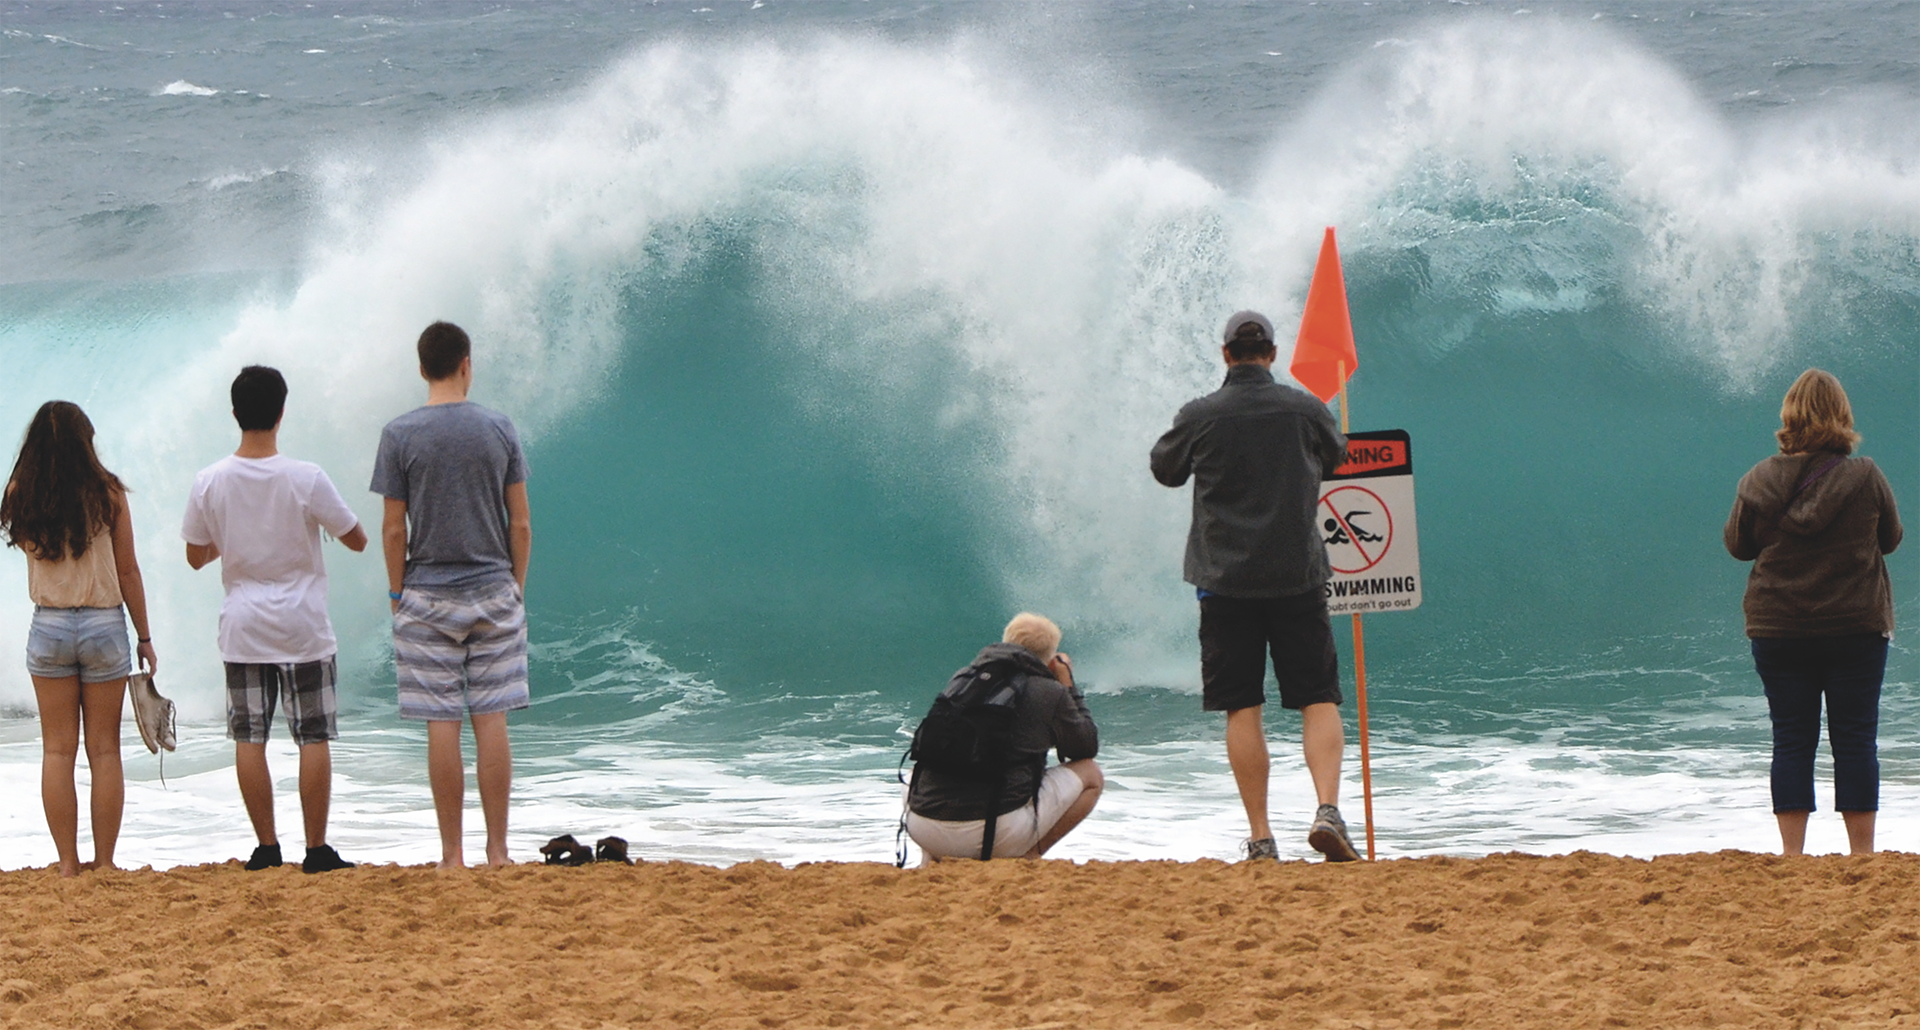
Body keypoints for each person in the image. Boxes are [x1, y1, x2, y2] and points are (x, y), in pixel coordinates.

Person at [1150, 310, 1357, 863]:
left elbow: (1165, 471)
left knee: (1242, 706)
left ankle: (1262, 838)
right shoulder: (1305, 408)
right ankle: (1327, 810)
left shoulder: (1201, 415)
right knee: (1318, 696)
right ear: (1271, 352)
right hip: (1297, 577)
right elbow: (1336, 458)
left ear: (1226, 355)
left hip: (1225, 583)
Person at [182, 366, 368, 873]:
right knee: (313, 736)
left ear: (235, 413)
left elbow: (196, 556)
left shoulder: (210, 481)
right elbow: (356, 537)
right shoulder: (305, 477)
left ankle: (266, 848)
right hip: (303, 625)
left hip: (243, 627)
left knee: (250, 737)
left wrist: (232, 537)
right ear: (282, 413)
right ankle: (316, 849)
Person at [371, 321, 532, 869]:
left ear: (422, 369)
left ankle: (451, 854)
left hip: (427, 594)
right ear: (467, 363)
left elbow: (394, 529)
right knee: (492, 720)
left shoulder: (399, 435)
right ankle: (498, 851)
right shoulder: (499, 427)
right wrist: (517, 588)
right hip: (493, 589)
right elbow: (522, 524)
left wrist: (397, 594)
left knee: (443, 725)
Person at [1724, 368, 1900, 856]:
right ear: (1842, 416)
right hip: (1855, 626)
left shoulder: (1758, 478)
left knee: (1792, 739)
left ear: (1789, 416)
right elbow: (1891, 540)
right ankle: (1862, 855)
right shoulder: (1865, 476)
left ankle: (1793, 855)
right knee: (1856, 738)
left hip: (1779, 626)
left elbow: (1738, 547)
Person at [0, 401, 157, 877]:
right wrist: (145, 636)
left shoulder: (18, 492)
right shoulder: (107, 493)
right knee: (105, 749)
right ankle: (105, 862)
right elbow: (127, 569)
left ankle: (68, 864)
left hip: (48, 625)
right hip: (103, 624)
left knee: (57, 750)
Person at [904, 612, 1102, 861]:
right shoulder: (1050, 692)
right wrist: (1067, 685)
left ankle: (930, 859)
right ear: (1051, 657)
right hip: (991, 837)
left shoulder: (964, 678)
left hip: (923, 828)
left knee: (919, 772)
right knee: (1091, 773)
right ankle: (1029, 856)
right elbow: (1085, 747)